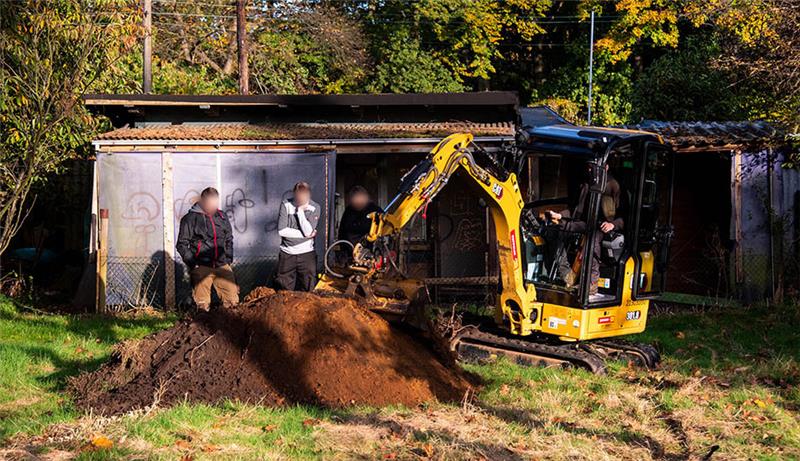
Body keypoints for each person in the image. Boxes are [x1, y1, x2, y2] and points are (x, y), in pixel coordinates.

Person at [546, 164, 625, 301]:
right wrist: (560, 216)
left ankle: (591, 284)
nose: (589, 170)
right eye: (588, 167)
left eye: (592, 167)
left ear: (605, 167)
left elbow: (626, 215)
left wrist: (613, 224)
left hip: (602, 226)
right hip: (585, 223)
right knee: (555, 231)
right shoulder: (586, 185)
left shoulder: (613, 185)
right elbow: (577, 211)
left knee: (592, 239)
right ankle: (566, 276)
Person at [176, 187, 238, 311]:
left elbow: (228, 239)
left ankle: (227, 328)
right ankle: (199, 328)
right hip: (201, 266)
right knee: (202, 305)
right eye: (210, 203)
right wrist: (194, 264)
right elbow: (182, 244)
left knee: (232, 302)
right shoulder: (190, 219)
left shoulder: (222, 217)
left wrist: (228, 259)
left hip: (222, 265)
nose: (213, 206)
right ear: (203, 201)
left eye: (215, 202)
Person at [276, 181, 321, 291]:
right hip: (287, 254)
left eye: (304, 196)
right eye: (298, 196)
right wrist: (307, 235)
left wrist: (300, 211)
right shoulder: (286, 204)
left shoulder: (315, 207)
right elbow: (282, 231)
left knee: (308, 288)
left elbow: (307, 231)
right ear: (294, 194)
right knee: (284, 289)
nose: (301, 199)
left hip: (307, 254)